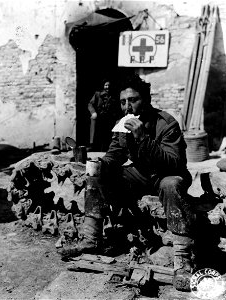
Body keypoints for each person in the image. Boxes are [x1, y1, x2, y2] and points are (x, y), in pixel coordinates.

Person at [60, 73, 196, 292]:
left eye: (133, 100)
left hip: (167, 174)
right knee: (96, 175)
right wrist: (100, 165)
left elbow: (173, 163)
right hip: (142, 173)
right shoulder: (122, 124)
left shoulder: (166, 123)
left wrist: (143, 137)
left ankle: (183, 261)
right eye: (123, 102)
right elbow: (115, 156)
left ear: (146, 99)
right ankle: (92, 238)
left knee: (171, 184)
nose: (127, 106)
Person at [88, 79, 120, 152]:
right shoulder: (97, 94)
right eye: (106, 85)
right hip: (99, 117)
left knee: (109, 133)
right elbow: (90, 104)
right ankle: (93, 146)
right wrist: (93, 112)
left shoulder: (114, 96)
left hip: (109, 118)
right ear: (103, 86)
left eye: (109, 85)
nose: (107, 87)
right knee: (95, 128)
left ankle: (107, 148)